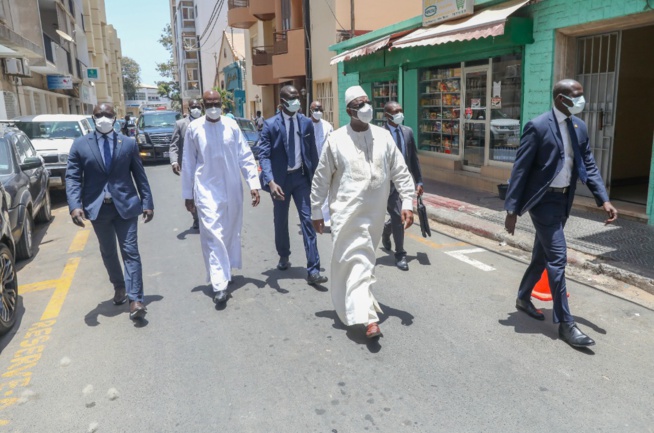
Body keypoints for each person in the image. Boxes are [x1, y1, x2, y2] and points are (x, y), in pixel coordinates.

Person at [504, 79, 618, 349]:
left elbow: (587, 163)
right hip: (543, 201)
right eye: (575, 96)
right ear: (559, 99)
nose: (581, 101)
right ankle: (566, 324)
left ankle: (522, 297)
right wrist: (512, 209)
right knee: (557, 257)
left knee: (542, 254)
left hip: (565, 199)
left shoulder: (579, 126)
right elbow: (520, 170)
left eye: (581, 95)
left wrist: (604, 199)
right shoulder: (538, 126)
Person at [311, 86, 415, 339]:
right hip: (346, 212)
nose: (366, 107)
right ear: (349, 110)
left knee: (363, 261)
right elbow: (321, 178)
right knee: (357, 262)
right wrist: (316, 210)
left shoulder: (383, 136)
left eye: (367, 102)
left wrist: (407, 201)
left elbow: (400, 170)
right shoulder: (335, 139)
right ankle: (369, 319)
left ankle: (356, 307)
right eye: (360, 104)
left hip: (375, 214)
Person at [66, 103, 154, 320]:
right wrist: (75, 206)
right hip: (98, 209)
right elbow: (73, 178)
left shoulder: (128, 143)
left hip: (126, 206)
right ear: (92, 118)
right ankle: (119, 286)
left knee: (130, 251)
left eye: (107, 115)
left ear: (115, 118)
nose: (103, 118)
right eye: (99, 115)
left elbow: (139, 176)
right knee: (108, 252)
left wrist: (147, 202)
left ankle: (136, 299)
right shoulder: (80, 145)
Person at [182, 90, 261, 305]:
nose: (213, 107)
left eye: (217, 103)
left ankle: (225, 270)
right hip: (206, 189)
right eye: (209, 103)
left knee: (229, 231)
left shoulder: (231, 125)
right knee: (212, 233)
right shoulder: (194, 128)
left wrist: (253, 184)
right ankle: (219, 285)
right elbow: (188, 163)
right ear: (204, 105)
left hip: (232, 187)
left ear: (222, 105)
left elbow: (245, 155)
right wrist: (188, 194)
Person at [258, 85, 327, 285]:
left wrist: (317, 182)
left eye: (298, 97)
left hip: (301, 179)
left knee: (308, 220)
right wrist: (270, 182)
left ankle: (313, 270)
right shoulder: (270, 125)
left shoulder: (306, 124)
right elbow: (263, 156)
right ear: (282, 103)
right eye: (292, 98)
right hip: (279, 182)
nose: (297, 101)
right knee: (280, 220)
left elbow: (312, 154)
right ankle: (284, 254)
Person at [381, 101, 423, 271]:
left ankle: (400, 254)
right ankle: (385, 230)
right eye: (395, 111)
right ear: (387, 115)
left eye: (401, 111)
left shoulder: (407, 132)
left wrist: (419, 181)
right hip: (382, 184)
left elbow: (413, 158)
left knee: (399, 216)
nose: (400, 114)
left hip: (401, 183)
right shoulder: (378, 134)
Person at [170, 99, 202, 229]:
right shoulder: (181, 124)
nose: (196, 109)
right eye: (193, 107)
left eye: (198, 107)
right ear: (188, 109)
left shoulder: (206, 122)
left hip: (205, 165)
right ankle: (196, 218)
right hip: (189, 165)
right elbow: (174, 145)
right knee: (192, 193)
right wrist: (174, 161)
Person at [309, 100, 333, 227]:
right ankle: (312, 215)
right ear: (310, 110)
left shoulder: (327, 126)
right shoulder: (305, 125)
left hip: (324, 164)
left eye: (320, 109)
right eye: (315, 109)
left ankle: (325, 218)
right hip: (308, 165)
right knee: (311, 191)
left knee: (325, 190)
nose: (318, 112)